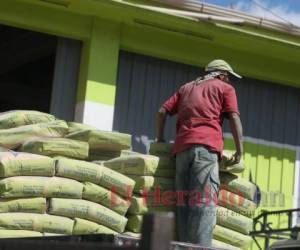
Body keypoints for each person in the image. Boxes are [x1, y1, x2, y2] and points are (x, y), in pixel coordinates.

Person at [155, 59, 243, 247]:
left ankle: (183, 247)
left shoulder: (186, 88)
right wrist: (239, 150)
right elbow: (234, 117)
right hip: (206, 150)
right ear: (222, 75)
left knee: (183, 206)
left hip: (181, 151)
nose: (229, 81)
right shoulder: (224, 88)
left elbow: (162, 111)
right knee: (204, 206)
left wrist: (160, 139)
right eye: (228, 77)